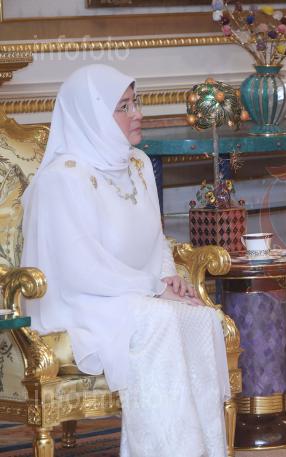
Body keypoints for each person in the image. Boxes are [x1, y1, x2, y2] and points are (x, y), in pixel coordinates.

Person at [21, 64, 230, 457]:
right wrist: (153, 288)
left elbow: (155, 238)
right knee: (159, 321)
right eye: (123, 106)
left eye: (136, 102)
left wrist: (170, 279)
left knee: (200, 317)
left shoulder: (137, 164)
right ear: (92, 114)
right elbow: (79, 269)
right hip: (76, 303)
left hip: (130, 294)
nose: (138, 114)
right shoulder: (62, 178)